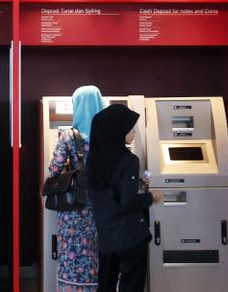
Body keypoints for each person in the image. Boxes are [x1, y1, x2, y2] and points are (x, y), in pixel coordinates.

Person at [86, 104, 157, 292]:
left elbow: (108, 193)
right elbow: (129, 201)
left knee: (106, 285)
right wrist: (151, 197)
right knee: (131, 285)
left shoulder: (93, 160)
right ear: (116, 130)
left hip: (107, 238)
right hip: (130, 237)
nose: (133, 131)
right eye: (129, 127)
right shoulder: (128, 160)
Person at [48, 85, 104, 292]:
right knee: (101, 255)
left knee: (74, 253)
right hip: (103, 207)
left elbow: (54, 168)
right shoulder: (109, 135)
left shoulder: (69, 136)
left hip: (75, 208)